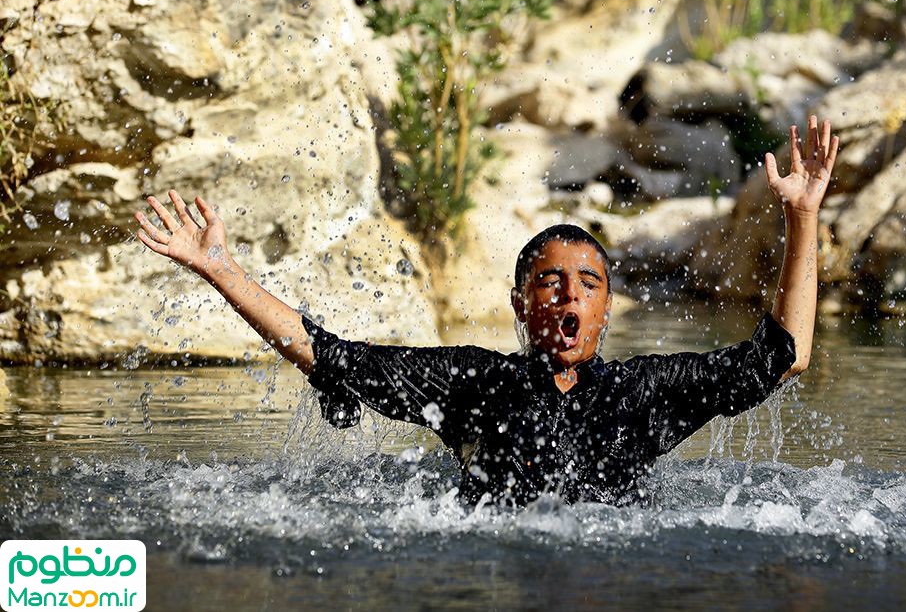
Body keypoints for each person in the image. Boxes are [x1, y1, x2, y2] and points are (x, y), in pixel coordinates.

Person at [134, 116, 840, 505]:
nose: (568, 295)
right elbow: (329, 353)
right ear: (519, 305)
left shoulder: (644, 393)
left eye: (588, 284)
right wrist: (221, 269)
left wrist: (802, 218)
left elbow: (782, 357)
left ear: (607, 308)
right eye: (550, 282)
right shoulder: (469, 382)